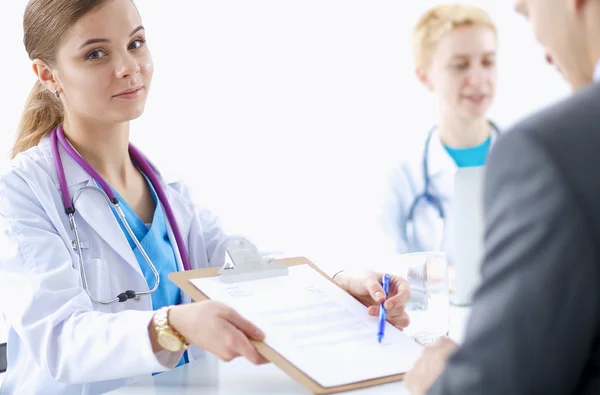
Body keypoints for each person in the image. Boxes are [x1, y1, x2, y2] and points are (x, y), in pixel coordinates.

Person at [0, 1, 411, 394]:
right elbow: (59, 340)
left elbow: (241, 270)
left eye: (135, 43)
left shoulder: (167, 186)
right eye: (95, 54)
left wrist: (339, 288)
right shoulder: (22, 191)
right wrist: (173, 325)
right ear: (47, 74)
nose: (128, 68)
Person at [404, 0, 600, 394]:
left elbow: (497, 383)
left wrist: (441, 383)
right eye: (459, 65)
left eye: (528, 12)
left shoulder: (542, 151)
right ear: (426, 77)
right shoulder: (403, 169)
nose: (538, 39)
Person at [381, 4, 500, 254]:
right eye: (460, 65)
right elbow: (382, 265)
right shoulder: (402, 174)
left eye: (487, 62)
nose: (478, 79)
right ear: (425, 77)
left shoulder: (528, 161)